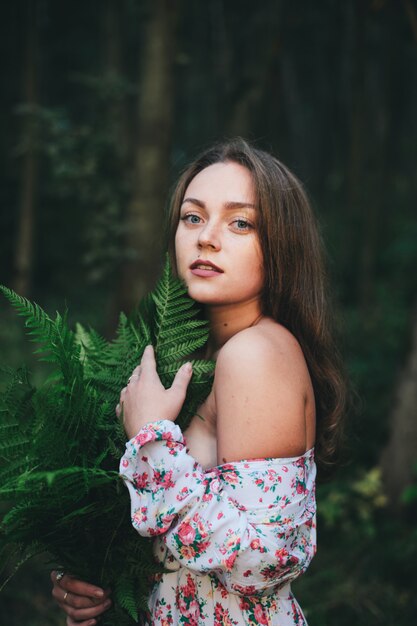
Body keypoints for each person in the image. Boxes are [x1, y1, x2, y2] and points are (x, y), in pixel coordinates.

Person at [51, 138, 346, 625]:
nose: (207, 237)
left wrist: (150, 441)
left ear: (281, 244)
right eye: (193, 217)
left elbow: (262, 563)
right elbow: (148, 519)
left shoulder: (256, 353)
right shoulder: (191, 355)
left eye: (240, 222)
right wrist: (81, 573)